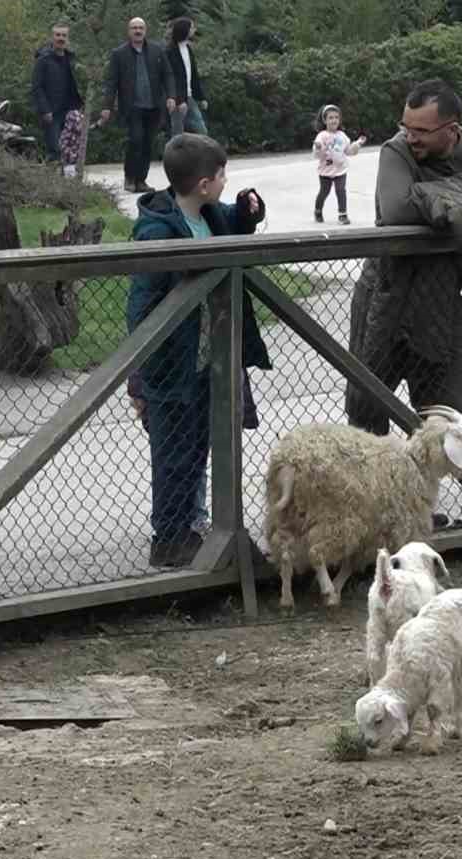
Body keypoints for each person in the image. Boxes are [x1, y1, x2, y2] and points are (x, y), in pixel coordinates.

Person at [344, 79, 462, 528]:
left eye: (421, 131)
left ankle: (419, 511)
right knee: (368, 405)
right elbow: (396, 209)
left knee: (438, 409)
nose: (410, 136)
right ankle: (373, 513)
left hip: (442, 298)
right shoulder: (396, 151)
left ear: (451, 129)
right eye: (406, 126)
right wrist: (460, 200)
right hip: (387, 292)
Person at [126, 134, 271, 567]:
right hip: (172, 363)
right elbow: (143, 304)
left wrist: (248, 212)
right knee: (172, 453)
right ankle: (168, 538)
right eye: (224, 175)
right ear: (206, 183)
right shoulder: (157, 229)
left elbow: (231, 220)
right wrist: (140, 366)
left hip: (211, 359)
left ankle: (191, 528)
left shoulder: (209, 214)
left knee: (200, 449)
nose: (228, 182)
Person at [100, 17, 178, 193]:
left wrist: (171, 96)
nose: (137, 31)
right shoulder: (119, 54)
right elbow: (111, 82)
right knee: (136, 141)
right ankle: (130, 177)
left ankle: (141, 180)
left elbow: (168, 75)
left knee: (147, 143)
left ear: (145, 30)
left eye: (140, 28)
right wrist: (107, 105)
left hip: (153, 106)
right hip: (132, 107)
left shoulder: (157, 51)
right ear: (129, 31)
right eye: (134, 28)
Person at [30, 23, 84, 164]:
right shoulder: (43, 59)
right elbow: (37, 87)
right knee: (54, 150)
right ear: (52, 37)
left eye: (64, 35)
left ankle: (67, 183)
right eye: (58, 35)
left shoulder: (71, 59)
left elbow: (78, 82)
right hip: (51, 113)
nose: (61, 38)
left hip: (70, 112)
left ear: (68, 38)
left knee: (70, 150)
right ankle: (51, 183)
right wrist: (45, 110)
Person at [312, 104, 365, 225]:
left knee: (341, 190)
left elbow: (349, 151)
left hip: (340, 169)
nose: (334, 120)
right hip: (325, 170)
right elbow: (317, 154)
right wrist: (318, 147)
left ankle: (343, 214)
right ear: (325, 120)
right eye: (330, 118)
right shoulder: (322, 135)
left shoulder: (342, 136)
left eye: (336, 117)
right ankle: (318, 210)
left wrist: (358, 144)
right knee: (324, 192)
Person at [163, 17, 209, 139]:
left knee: (201, 130)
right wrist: (179, 100)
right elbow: (171, 78)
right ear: (185, 30)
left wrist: (201, 97)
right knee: (177, 132)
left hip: (189, 97)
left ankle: (197, 156)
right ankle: (173, 158)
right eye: (192, 27)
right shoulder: (169, 51)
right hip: (176, 98)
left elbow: (193, 75)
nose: (194, 29)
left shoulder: (188, 49)